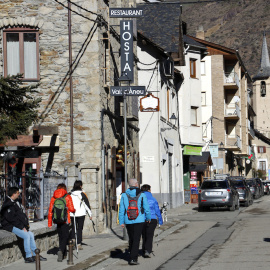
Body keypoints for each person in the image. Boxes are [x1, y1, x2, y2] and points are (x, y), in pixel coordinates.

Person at [0, 187, 47, 263]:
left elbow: (19, 216)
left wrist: (24, 225)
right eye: (18, 193)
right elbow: (11, 219)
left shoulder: (14, 202)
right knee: (26, 235)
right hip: (9, 226)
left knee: (31, 234)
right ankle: (28, 257)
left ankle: (35, 254)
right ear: (13, 194)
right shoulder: (8, 204)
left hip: (17, 225)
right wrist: (21, 227)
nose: (19, 194)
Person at [118, 178, 151, 265]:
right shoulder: (142, 194)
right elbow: (146, 208)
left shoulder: (124, 195)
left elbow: (121, 209)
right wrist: (148, 218)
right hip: (139, 220)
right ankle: (133, 259)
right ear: (136, 184)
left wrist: (121, 221)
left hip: (128, 220)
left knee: (131, 238)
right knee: (136, 239)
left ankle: (132, 254)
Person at [48, 183, 75, 262]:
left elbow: (50, 211)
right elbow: (71, 209)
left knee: (60, 236)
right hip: (65, 220)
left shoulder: (53, 197)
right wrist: (74, 210)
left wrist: (49, 224)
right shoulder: (67, 196)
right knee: (65, 236)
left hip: (57, 220)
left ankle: (63, 254)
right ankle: (61, 250)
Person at [141, 184, 163, 258]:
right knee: (150, 235)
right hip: (152, 218)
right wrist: (160, 220)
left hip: (142, 219)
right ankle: (147, 250)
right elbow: (157, 210)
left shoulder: (139, 198)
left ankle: (143, 249)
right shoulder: (153, 199)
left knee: (144, 235)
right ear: (149, 190)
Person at [70, 180, 92, 250]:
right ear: (80, 186)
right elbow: (87, 205)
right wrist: (90, 214)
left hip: (72, 214)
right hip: (81, 214)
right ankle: (78, 243)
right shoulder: (83, 194)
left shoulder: (70, 194)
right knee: (80, 228)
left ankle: (73, 240)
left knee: (73, 227)